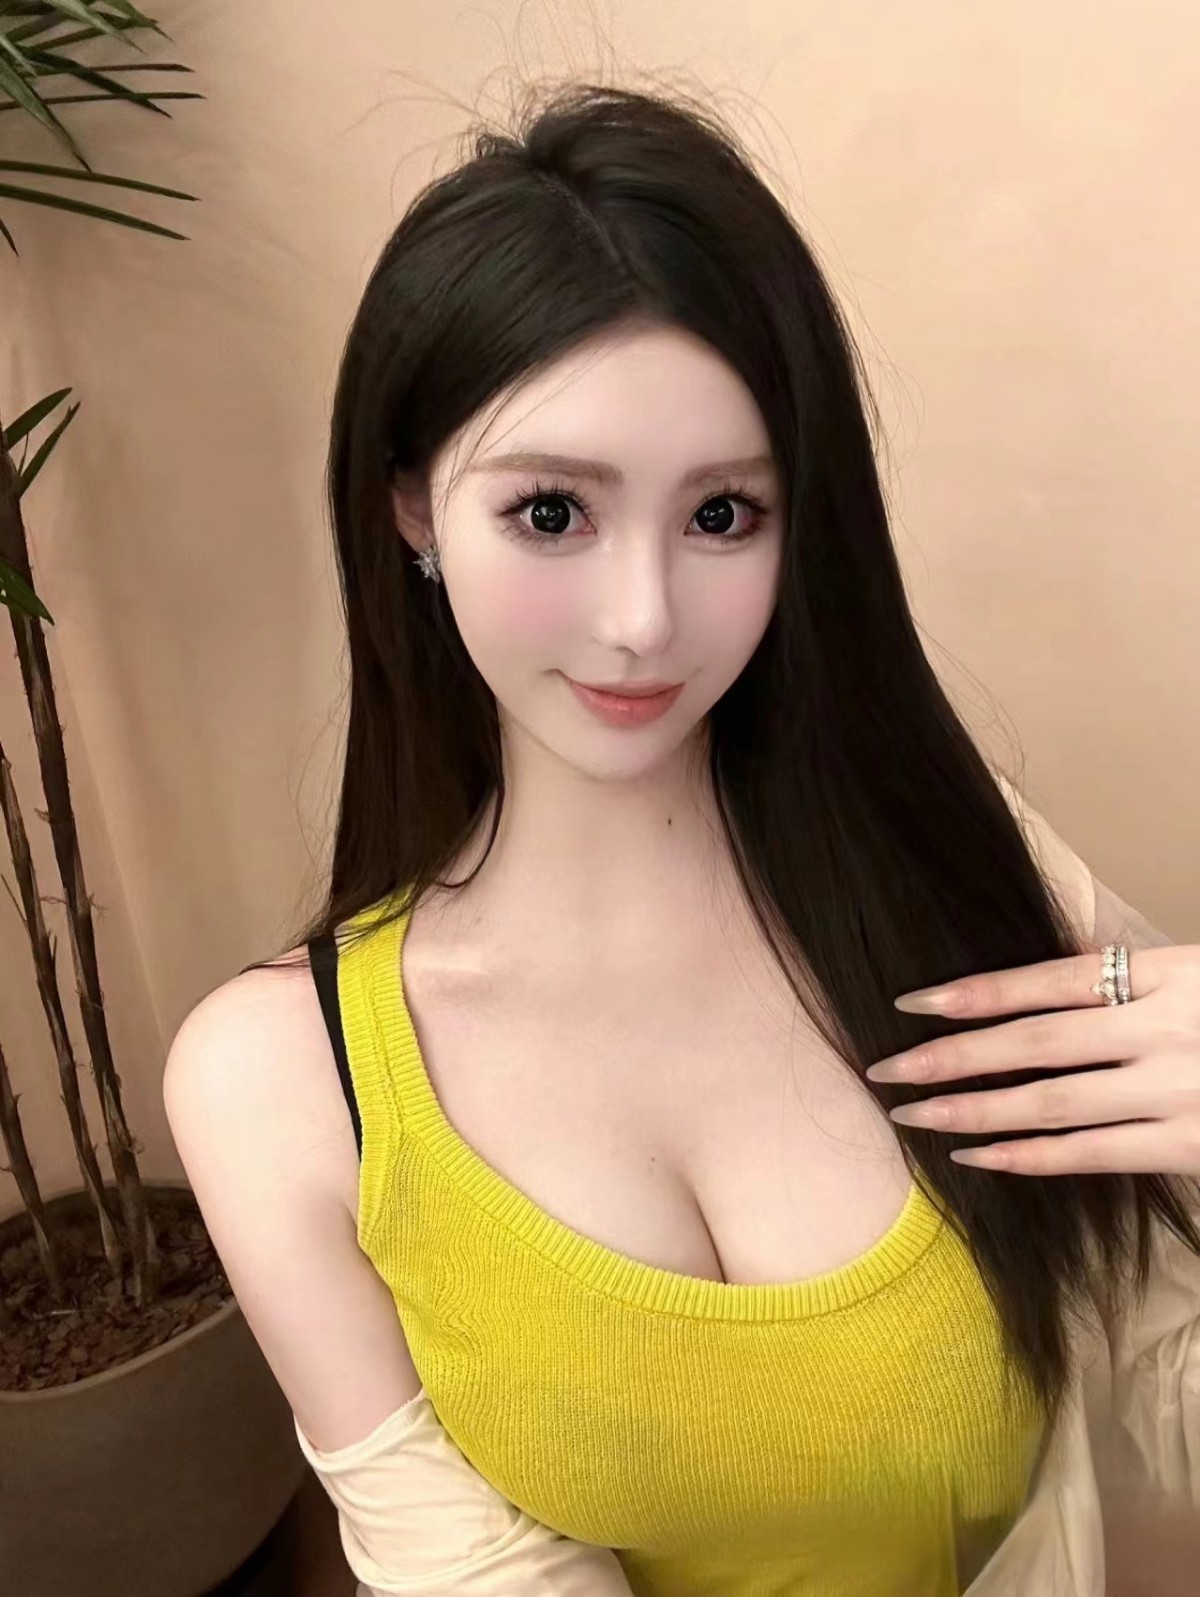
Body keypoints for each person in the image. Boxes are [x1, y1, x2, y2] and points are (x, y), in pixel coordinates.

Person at [164, 82, 1200, 1596]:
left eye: (722, 516)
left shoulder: (961, 871)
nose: (643, 618)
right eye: (550, 512)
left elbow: (1173, 1383)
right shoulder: (281, 1081)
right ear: (413, 509)